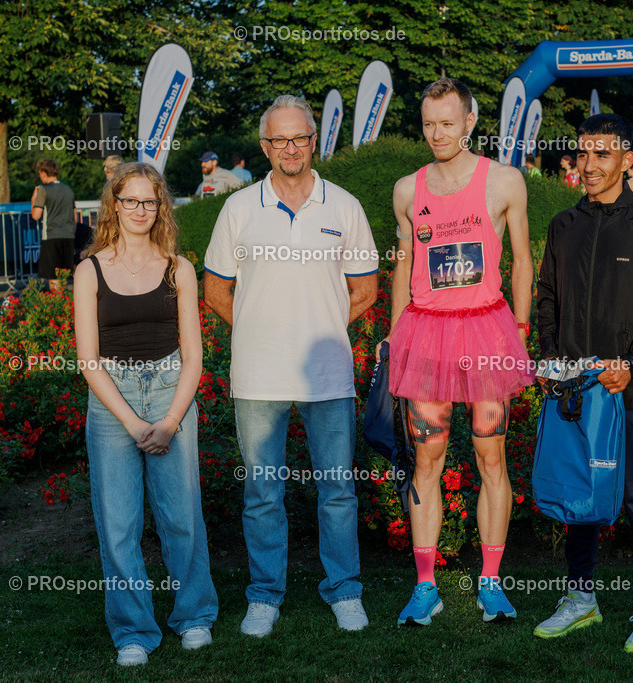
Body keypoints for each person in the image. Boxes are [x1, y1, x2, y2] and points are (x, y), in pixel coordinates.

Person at [203, 95, 379, 636]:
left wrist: (316, 332)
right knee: (262, 492)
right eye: (279, 140)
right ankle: (265, 596)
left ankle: (344, 591)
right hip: (258, 375)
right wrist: (263, 331)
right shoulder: (237, 208)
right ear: (264, 147)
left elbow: (366, 289)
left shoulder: (343, 205)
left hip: (327, 376)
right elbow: (215, 290)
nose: (290, 148)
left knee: (337, 489)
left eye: (300, 137)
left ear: (313, 140)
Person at [534, 113, 633, 654]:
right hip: (574, 396)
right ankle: (581, 599)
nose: (590, 165)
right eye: (584, 154)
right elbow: (546, 296)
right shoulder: (563, 225)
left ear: (627, 159)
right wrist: (550, 357)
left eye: (603, 154)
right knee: (579, 500)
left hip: (629, 396)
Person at [383, 78, 534, 625]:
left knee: (491, 456)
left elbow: (522, 257)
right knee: (426, 459)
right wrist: (397, 336)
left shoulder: (505, 181)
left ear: (470, 122)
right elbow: (404, 265)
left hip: (487, 332)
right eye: (428, 123)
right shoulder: (407, 190)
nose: (437, 133)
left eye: (448, 122)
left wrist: (518, 327)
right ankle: (426, 587)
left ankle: (491, 581)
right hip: (426, 334)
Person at [73, 162, 218, 667]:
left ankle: (194, 616)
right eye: (130, 200)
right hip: (112, 399)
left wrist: (172, 419)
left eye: (149, 201)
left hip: (170, 390)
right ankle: (134, 630)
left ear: (161, 208)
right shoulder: (89, 270)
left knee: (183, 518)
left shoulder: (178, 268)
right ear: (114, 204)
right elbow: (87, 359)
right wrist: (132, 422)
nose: (140, 210)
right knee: (118, 524)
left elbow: (195, 353)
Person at [30, 159, 77, 292]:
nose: (40, 176)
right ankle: (64, 305)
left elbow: (36, 215)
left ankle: (57, 307)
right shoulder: (68, 189)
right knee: (63, 276)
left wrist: (33, 201)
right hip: (68, 236)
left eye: (40, 173)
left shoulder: (43, 189)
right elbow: (74, 216)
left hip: (51, 236)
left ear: (44, 173)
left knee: (53, 277)